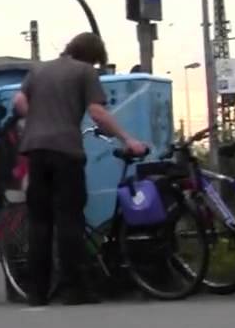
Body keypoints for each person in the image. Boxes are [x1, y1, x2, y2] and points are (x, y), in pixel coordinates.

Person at [13, 32, 148, 307]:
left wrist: (37, 119)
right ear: (92, 56)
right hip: (65, 151)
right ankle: (74, 290)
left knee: (39, 222)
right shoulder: (85, 72)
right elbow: (97, 113)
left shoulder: (39, 70)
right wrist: (128, 139)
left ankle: (37, 293)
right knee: (68, 219)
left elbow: (18, 101)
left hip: (36, 151)